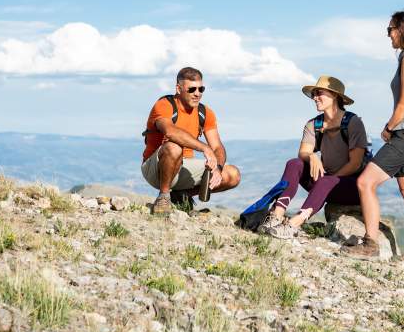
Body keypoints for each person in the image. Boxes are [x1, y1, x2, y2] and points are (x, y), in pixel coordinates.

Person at [342, 9, 404, 262]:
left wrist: (389, 128)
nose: (388, 34)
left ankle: (370, 243)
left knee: (365, 182)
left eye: (390, 29)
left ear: (403, 29)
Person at [261, 76, 369, 239]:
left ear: (335, 96)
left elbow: (355, 163)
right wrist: (312, 156)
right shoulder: (314, 124)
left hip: (352, 186)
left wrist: (329, 180)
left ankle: (294, 224)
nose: (315, 97)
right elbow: (303, 152)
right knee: (294, 163)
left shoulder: (353, 123)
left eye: (320, 93)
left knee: (326, 180)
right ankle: (276, 216)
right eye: (314, 94)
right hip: (326, 184)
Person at [141, 66, 240, 216]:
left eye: (201, 89)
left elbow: (217, 146)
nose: (197, 94)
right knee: (174, 147)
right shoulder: (165, 105)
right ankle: (164, 198)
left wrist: (218, 168)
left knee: (232, 174)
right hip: (155, 168)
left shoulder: (205, 112)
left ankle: (182, 196)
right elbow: (170, 132)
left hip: (184, 166)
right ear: (179, 89)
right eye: (192, 89)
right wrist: (205, 149)